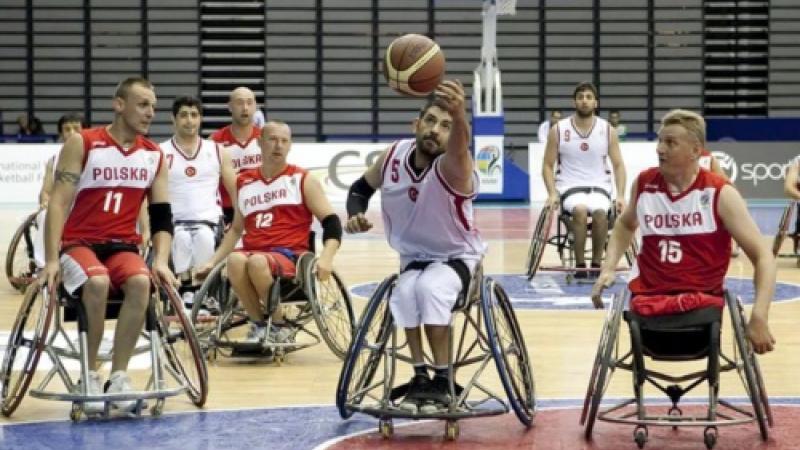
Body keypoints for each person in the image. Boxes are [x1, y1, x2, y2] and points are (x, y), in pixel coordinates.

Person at [345, 80, 485, 413]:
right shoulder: (393, 154)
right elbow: (359, 189)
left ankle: (443, 377)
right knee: (406, 291)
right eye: (431, 121)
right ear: (416, 125)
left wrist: (460, 115)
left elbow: (461, 148)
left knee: (431, 289)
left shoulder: (455, 167)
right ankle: (421, 376)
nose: (436, 130)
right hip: (413, 260)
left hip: (457, 259)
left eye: (446, 126)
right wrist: (356, 215)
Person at [591, 109, 775, 355]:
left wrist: (760, 315)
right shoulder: (645, 184)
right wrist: (609, 267)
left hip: (701, 302)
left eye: (670, 143)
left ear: (696, 151)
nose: (660, 149)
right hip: (648, 298)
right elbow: (625, 224)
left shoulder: (720, 193)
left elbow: (764, 257)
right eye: (659, 140)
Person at [42, 77, 177, 412]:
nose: (150, 113)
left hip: (122, 247)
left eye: (154, 107)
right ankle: (87, 374)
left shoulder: (154, 156)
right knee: (98, 282)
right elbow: (57, 202)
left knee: (141, 281)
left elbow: (162, 217)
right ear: (119, 104)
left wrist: (160, 259)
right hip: (78, 244)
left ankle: (118, 375)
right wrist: (50, 259)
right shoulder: (83, 142)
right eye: (143, 104)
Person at [198, 120, 342, 345]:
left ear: (290, 145)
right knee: (235, 260)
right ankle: (258, 324)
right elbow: (236, 229)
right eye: (273, 139)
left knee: (256, 262)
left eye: (284, 141)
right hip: (253, 252)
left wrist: (327, 257)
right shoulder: (244, 181)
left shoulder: (301, 179)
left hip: (289, 255)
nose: (278, 146)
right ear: (260, 142)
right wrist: (212, 261)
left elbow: (332, 222)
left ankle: (279, 326)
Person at [542, 82, 626, 278]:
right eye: (580, 97)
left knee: (599, 213)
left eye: (589, 97)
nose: (585, 101)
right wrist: (552, 193)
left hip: (599, 187)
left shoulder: (607, 130)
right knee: (579, 211)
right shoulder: (559, 130)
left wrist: (620, 195)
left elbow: (619, 165)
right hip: (570, 186)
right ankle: (580, 265)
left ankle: (596, 263)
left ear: (595, 103)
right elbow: (547, 165)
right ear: (574, 102)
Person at [160, 96, 236, 311]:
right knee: (182, 238)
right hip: (175, 221)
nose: (189, 120)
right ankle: (186, 290)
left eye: (194, 115)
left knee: (203, 237)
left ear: (200, 119)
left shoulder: (218, 151)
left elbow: (234, 189)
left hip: (209, 219)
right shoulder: (161, 152)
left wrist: (242, 218)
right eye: (183, 115)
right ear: (173, 119)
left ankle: (205, 293)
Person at [33, 113, 87, 269]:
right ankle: (43, 267)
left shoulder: (95, 156)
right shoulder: (54, 160)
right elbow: (45, 191)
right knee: (45, 214)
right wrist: (45, 201)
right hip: (62, 208)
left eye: (76, 128)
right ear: (61, 133)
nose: (71, 133)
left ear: (85, 130)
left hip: (86, 209)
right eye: (67, 129)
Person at [210, 87, 262, 224]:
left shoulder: (266, 139)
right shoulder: (214, 141)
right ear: (230, 107)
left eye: (249, 103)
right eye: (239, 103)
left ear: (256, 106)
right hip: (225, 210)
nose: (245, 108)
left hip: (259, 207)